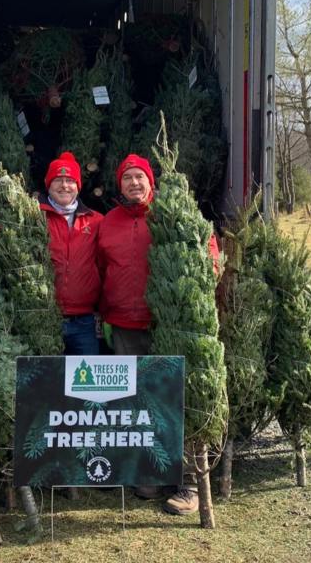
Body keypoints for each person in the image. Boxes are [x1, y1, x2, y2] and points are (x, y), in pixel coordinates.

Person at [97, 153, 220, 515]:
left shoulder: (171, 214)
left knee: (176, 399)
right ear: (119, 185)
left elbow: (207, 248)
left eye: (140, 177)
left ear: (151, 182)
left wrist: (198, 291)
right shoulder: (108, 223)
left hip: (168, 323)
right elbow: (102, 268)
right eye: (127, 178)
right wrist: (105, 312)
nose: (134, 183)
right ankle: (149, 473)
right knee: (136, 404)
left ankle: (187, 483)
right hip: (123, 326)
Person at [0, 152, 102, 356]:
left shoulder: (95, 221)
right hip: (42, 317)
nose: (64, 186)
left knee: (84, 385)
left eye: (70, 180)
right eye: (58, 181)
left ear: (78, 185)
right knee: (45, 384)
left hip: (84, 322)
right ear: (48, 185)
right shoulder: (32, 216)